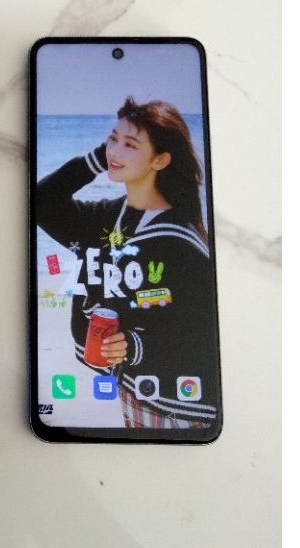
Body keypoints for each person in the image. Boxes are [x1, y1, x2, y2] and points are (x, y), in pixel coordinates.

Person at [36, 96, 219, 430]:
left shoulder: (181, 241)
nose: (115, 151)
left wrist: (134, 346)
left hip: (179, 404)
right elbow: (41, 202)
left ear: (160, 160)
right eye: (112, 139)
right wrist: (97, 160)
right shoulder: (109, 218)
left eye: (130, 145)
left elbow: (200, 330)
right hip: (134, 390)